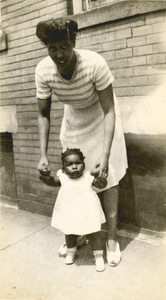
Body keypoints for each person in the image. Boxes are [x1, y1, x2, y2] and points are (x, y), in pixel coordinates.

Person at [35, 17, 128, 267]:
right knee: (75, 176)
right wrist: (42, 154)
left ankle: (111, 238)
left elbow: (109, 110)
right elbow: (43, 113)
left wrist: (105, 155)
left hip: (102, 115)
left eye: (64, 46)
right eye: (52, 48)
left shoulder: (94, 63)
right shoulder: (43, 70)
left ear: (73, 42)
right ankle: (77, 233)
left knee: (107, 179)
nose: (59, 54)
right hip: (75, 116)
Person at [40, 148, 107, 271]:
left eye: (78, 163)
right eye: (69, 164)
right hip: (69, 211)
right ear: (64, 167)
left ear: (84, 163)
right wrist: (43, 177)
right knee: (69, 232)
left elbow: (101, 185)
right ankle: (71, 251)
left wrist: (102, 178)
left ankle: (98, 255)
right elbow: (51, 182)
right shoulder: (63, 177)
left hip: (88, 210)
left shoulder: (88, 176)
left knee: (94, 232)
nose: (74, 167)